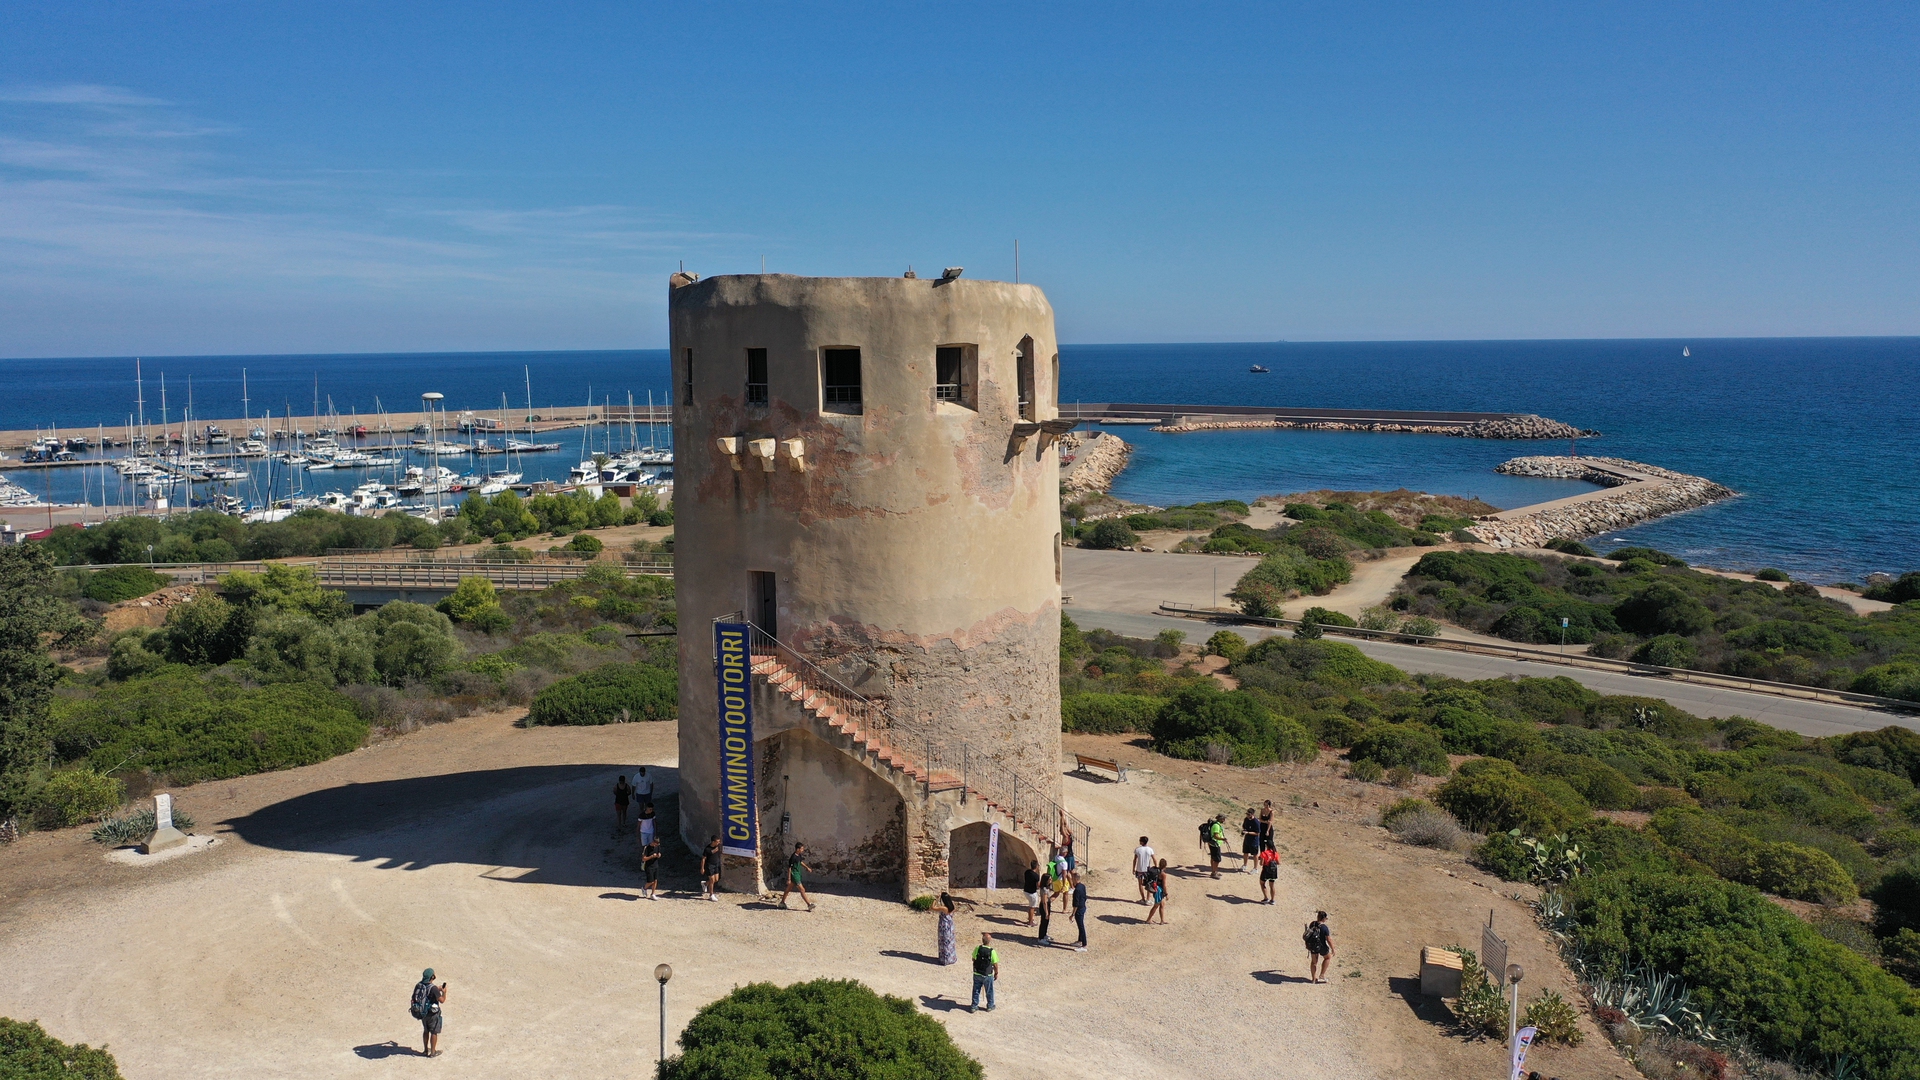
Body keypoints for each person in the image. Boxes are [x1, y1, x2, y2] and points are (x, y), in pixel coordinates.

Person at [410, 967, 448, 1058]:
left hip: (423, 1013)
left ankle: (425, 1050)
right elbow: (442, 1000)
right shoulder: (433, 988)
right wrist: (444, 992)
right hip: (432, 1014)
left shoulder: (419, 985)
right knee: (434, 1032)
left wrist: (436, 989)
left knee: (426, 1030)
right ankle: (433, 1052)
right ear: (432, 977)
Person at [968, 933, 999, 1013]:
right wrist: (996, 973)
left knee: (976, 990)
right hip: (987, 974)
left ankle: (974, 1006)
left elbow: (973, 958)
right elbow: (995, 964)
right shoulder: (992, 951)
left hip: (977, 973)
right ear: (989, 941)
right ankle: (990, 1005)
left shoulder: (977, 948)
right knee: (989, 990)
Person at [779, 842, 814, 910]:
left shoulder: (799, 855)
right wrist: (789, 879)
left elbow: (800, 862)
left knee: (788, 889)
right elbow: (789, 868)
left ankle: (782, 902)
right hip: (794, 875)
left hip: (797, 874)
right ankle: (809, 904)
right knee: (802, 889)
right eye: (802, 848)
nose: (803, 850)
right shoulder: (793, 857)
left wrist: (807, 868)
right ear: (798, 849)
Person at [1304, 910, 1335, 983]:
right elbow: (1328, 939)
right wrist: (1333, 949)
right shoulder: (1324, 928)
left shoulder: (1312, 924)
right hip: (1322, 946)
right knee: (1327, 957)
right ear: (1324, 918)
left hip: (1313, 946)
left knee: (1314, 962)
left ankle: (1313, 978)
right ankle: (1322, 975)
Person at [936, 892, 958, 965]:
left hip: (944, 926)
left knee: (944, 942)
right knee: (950, 942)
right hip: (950, 925)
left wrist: (934, 899)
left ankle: (944, 959)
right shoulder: (952, 906)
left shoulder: (944, 908)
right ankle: (951, 958)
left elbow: (932, 908)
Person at [1132, 836, 1156, 903]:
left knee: (1140, 884)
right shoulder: (1150, 849)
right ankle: (1148, 899)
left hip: (1139, 869)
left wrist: (1133, 868)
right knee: (1149, 883)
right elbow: (1154, 859)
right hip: (1147, 870)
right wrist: (1156, 868)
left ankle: (1143, 899)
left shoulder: (1137, 850)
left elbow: (1135, 860)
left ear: (1142, 842)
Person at [1145, 858, 1168, 924]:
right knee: (1156, 905)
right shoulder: (1163, 874)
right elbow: (1164, 885)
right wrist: (1166, 894)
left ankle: (1162, 920)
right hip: (1159, 891)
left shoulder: (1156, 870)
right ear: (1165, 866)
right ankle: (1148, 919)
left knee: (1162, 905)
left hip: (1155, 889)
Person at [1070, 871, 1089, 952]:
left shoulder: (1076, 890)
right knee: (1080, 926)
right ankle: (1080, 941)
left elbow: (1075, 905)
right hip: (1083, 907)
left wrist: (1072, 914)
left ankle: (1084, 945)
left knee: (1081, 927)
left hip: (1079, 910)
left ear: (1075, 879)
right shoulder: (1082, 886)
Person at [1206, 814, 1226, 879]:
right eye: (1223, 819)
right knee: (1217, 859)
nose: (1224, 820)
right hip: (1215, 844)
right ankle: (1214, 873)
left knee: (1213, 857)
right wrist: (1223, 839)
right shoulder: (1216, 826)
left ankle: (1214, 871)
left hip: (1212, 843)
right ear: (1221, 819)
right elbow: (1215, 836)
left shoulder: (1215, 824)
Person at [1022, 859, 1042, 926]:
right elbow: (1038, 885)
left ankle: (1030, 918)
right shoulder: (1036, 876)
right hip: (1032, 893)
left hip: (1026, 891)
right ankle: (1030, 922)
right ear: (1036, 866)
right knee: (1032, 907)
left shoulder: (1027, 872)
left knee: (1030, 906)